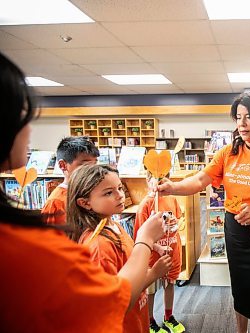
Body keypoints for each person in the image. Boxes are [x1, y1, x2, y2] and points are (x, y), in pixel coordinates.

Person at [0, 51, 167, 331]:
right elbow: (107, 302)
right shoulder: (87, 240)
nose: (29, 131)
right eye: (22, 116)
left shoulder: (108, 225)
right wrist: (145, 241)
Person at [157, 91, 250, 333]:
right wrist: (171, 187)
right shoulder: (229, 153)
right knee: (240, 288)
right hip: (235, 231)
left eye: (249, 117)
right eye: (238, 117)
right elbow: (199, 180)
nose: (242, 124)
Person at [67, 164, 172, 333]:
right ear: (85, 203)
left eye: (120, 188)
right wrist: (153, 273)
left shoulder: (111, 224)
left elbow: (126, 255)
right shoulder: (99, 247)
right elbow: (118, 303)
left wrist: (152, 244)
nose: (120, 196)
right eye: (109, 192)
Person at [134, 172, 185, 333]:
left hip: (172, 250)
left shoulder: (172, 198)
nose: (159, 182)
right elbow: (141, 236)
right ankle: (149, 322)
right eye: (155, 178)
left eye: (163, 178)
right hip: (153, 257)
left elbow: (177, 218)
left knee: (169, 284)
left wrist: (176, 225)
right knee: (151, 290)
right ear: (147, 180)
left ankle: (168, 316)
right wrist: (158, 248)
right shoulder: (145, 205)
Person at [41, 136, 99, 225]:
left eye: (95, 164)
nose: (92, 171)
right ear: (62, 165)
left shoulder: (94, 191)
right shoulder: (56, 202)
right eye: (85, 165)